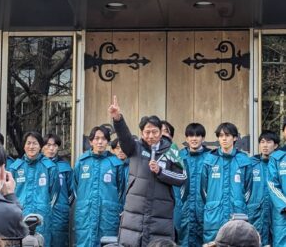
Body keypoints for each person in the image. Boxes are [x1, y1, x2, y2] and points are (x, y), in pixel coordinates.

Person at [109, 96, 187, 247]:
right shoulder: (135, 148)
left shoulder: (171, 150)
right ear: (142, 133)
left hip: (160, 216)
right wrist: (118, 119)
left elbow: (182, 177)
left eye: (154, 132)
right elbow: (124, 137)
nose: (151, 136)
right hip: (134, 213)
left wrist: (160, 171)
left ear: (161, 132)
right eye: (147, 132)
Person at [73, 125, 125, 247]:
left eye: (103, 138)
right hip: (86, 214)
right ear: (91, 141)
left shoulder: (116, 163)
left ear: (108, 141)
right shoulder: (81, 162)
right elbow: (76, 188)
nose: (100, 142)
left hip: (108, 215)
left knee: (107, 244)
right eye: (96, 138)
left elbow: (121, 191)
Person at [201, 122, 253, 243]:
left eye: (227, 135)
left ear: (235, 138)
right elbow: (203, 190)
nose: (224, 139)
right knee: (213, 244)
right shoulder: (209, 160)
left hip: (237, 213)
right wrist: (212, 204)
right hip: (214, 214)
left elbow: (249, 189)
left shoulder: (244, 160)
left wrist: (240, 203)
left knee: (237, 242)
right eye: (220, 135)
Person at [9, 131, 59, 247]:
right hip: (20, 217)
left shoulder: (50, 167)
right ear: (24, 146)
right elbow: (10, 194)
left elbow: (54, 194)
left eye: (35, 143)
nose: (31, 147)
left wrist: (44, 208)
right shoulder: (15, 168)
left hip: (42, 218)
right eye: (28, 143)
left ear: (40, 146)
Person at [174, 122, 210, 247]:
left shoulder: (211, 157)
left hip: (204, 208)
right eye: (190, 135)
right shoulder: (178, 156)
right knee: (182, 239)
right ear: (186, 138)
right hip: (183, 208)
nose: (194, 139)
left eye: (197, 135)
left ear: (203, 138)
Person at [248, 130, 279, 246]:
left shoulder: (281, 164)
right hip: (255, 212)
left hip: (276, 211)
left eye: (269, 142)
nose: (265, 145)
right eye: (262, 142)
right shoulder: (250, 163)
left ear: (275, 145)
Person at [42, 133, 73, 247]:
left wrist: (63, 205)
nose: (51, 148)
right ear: (42, 147)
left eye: (54, 145)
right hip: (41, 212)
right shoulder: (38, 165)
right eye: (48, 145)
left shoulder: (65, 167)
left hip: (60, 214)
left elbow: (72, 191)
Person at [267, 136, 286, 246]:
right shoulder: (276, 157)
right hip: (282, 213)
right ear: (283, 133)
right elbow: (272, 184)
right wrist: (284, 204)